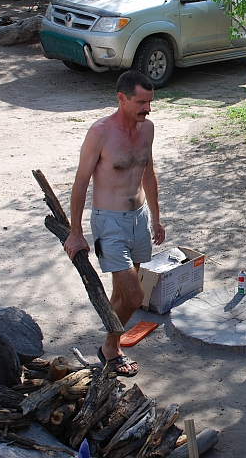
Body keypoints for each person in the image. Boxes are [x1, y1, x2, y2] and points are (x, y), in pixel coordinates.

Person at [64, 70, 165, 377]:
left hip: (139, 219)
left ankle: (112, 331)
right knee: (134, 297)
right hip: (108, 224)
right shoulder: (100, 133)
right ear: (121, 98)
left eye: (149, 101)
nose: (147, 108)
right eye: (141, 102)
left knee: (122, 295)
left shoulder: (146, 129)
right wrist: (76, 232)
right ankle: (110, 346)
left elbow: (148, 173)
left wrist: (157, 218)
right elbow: (81, 182)